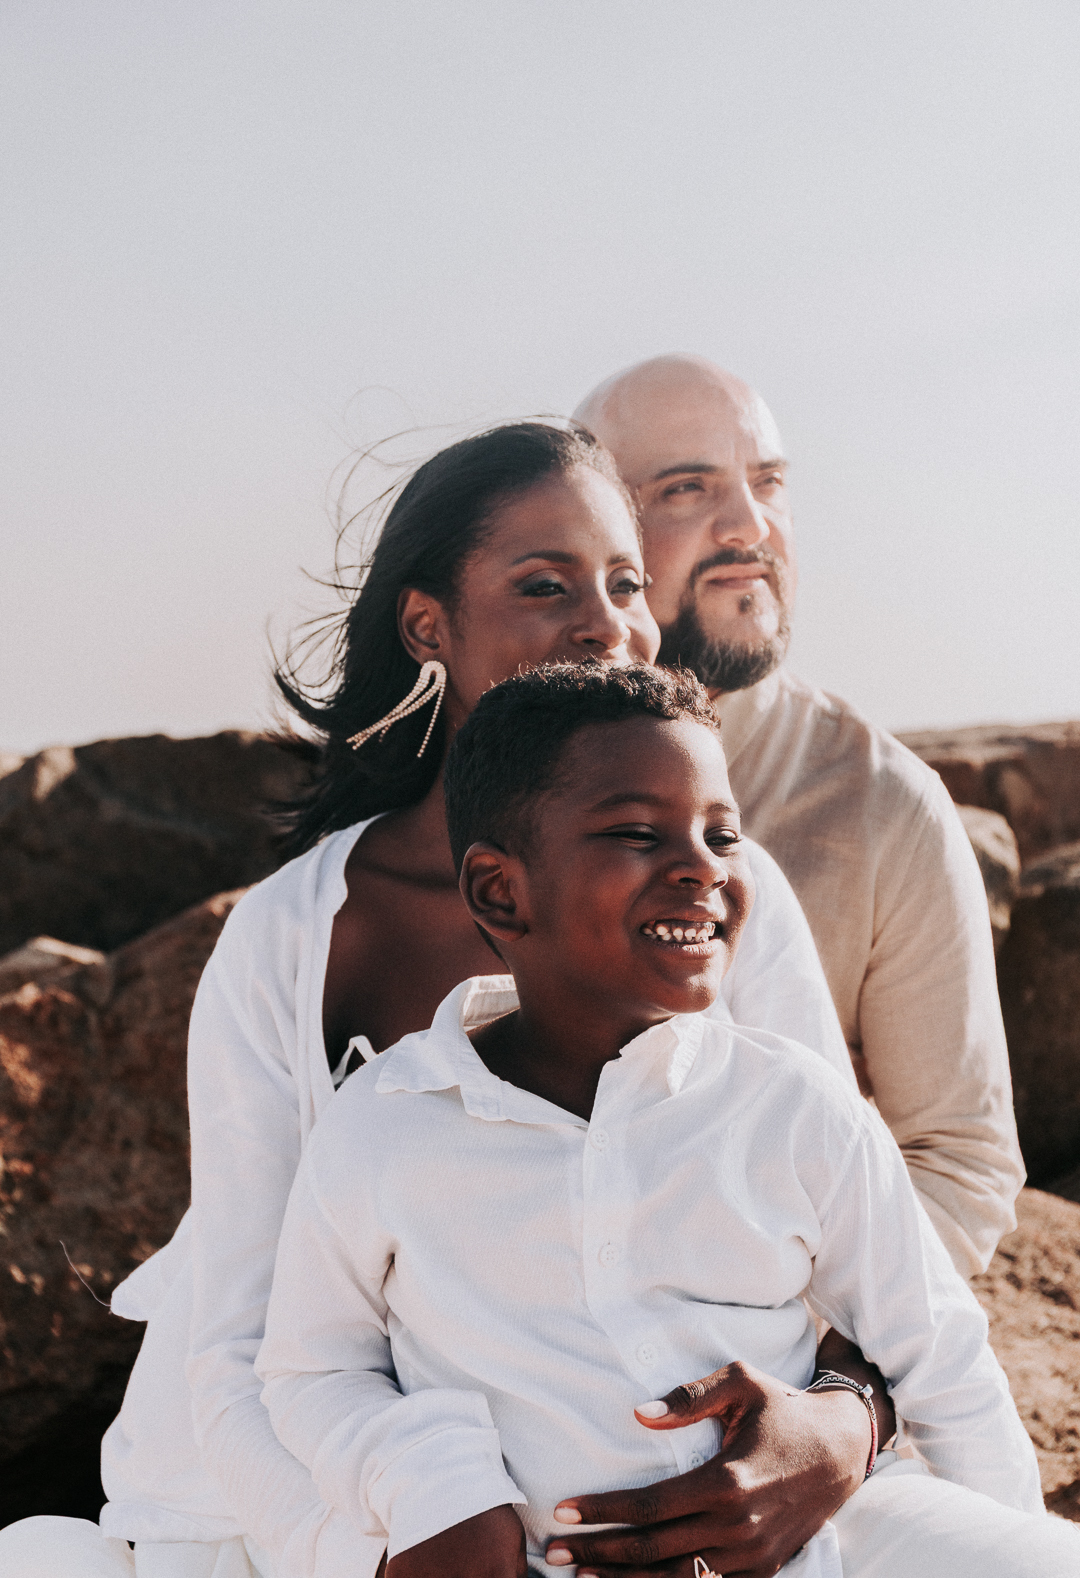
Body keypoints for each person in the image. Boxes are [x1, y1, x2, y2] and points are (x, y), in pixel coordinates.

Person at [0, 425, 875, 1578]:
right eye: (542, 584)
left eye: (624, 582)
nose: (604, 620)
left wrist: (849, 1428)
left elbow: (859, 1234)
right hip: (315, 1497)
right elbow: (236, 1336)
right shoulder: (294, 931)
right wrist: (371, 1556)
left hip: (634, 1491)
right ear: (429, 626)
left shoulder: (710, 901)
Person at [255, 662, 1077, 1578]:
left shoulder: (793, 1101)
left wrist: (1009, 1534)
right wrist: (433, 1490)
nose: (702, 868)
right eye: (639, 834)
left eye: (723, 835)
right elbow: (311, 1372)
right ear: (500, 893)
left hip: (829, 1550)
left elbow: (941, 1355)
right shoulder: (386, 1121)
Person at [575, 355, 1023, 1282]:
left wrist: (808, 1377)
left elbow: (959, 1163)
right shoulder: (484, 783)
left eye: (768, 482)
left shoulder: (880, 805)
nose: (750, 526)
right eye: (688, 488)